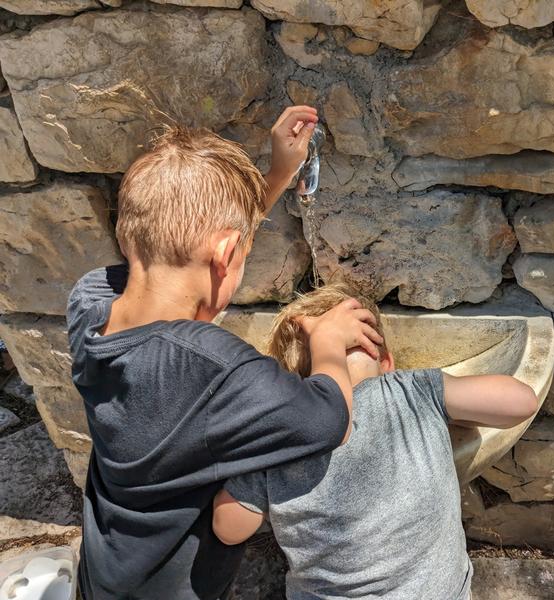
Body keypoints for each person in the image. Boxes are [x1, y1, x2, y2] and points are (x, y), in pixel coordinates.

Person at [66, 107, 383, 600]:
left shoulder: (90, 300)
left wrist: (278, 175)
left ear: (128, 235)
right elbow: (328, 421)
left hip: (107, 563)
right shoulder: (217, 367)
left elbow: (181, 259)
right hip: (177, 585)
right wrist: (327, 342)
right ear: (228, 254)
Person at [212, 284, 540, 600]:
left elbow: (230, 528)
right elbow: (520, 402)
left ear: (292, 382)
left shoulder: (280, 434)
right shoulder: (412, 389)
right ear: (387, 361)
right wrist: (448, 403)